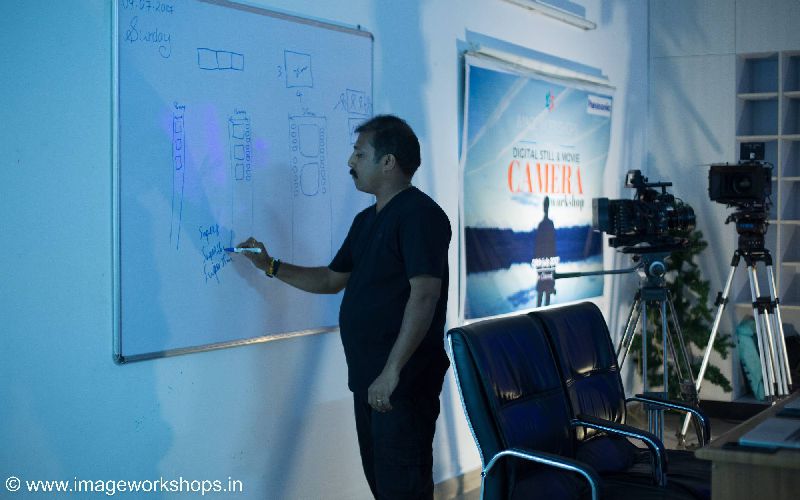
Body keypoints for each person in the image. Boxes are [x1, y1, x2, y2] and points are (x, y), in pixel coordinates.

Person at [238, 114, 451, 499]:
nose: (350, 162)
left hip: (401, 383)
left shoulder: (421, 215)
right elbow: (330, 280)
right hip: (371, 380)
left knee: (403, 488)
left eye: (359, 153)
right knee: (383, 486)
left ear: (388, 162)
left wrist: (392, 371)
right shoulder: (365, 221)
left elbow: (424, 295)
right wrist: (269, 265)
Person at [533, 195, 557, 307]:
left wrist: (553, 268)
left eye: (546, 205)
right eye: (545, 205)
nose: (546, 208)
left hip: (547, 264)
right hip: (543, 264)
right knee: (541, 295)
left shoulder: (547, 224)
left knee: (546, 295)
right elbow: (538, 246)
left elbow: (552, 246)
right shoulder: (542, 225)